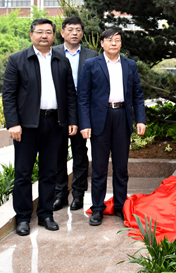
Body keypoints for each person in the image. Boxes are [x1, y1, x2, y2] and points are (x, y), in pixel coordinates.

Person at [3, 18, 78, 237]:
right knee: (23, 173)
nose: (44, 35)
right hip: (26, 125)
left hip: (54, 123)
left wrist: (72, 120)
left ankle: (46, 214)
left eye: (48, 32)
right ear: (31, 35)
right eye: (39, 32)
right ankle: (23, 217)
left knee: (50, 172)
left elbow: (70, 93)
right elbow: (8, 95)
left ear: (54, 35)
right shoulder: (17, 60)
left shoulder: (61, 60)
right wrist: (13, 123)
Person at [78, 27, 146, 227]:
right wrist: (85, 124)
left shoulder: (130, 65)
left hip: (122, 116)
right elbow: (83, 97)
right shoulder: (91, 64)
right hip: (100, 118)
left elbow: (138, 94)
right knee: (99, 167)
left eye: (117, 39)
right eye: (109, 40)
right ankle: (97, 208)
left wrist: (140, 119)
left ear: (121, 43)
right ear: (102, 43)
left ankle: (120, 206)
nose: (113, 43)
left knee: (121, 167)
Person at [53, 16, 97, 212]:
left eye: (78, 30)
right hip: (58, 110)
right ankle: (60, 193)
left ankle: (78, 194)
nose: (74, 33)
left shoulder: (92, 55)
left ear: (82, 33)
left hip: (82, 109)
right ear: (62, 32)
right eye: (70, 29)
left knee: (80, 153)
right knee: (58, 152)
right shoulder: (53, 53)